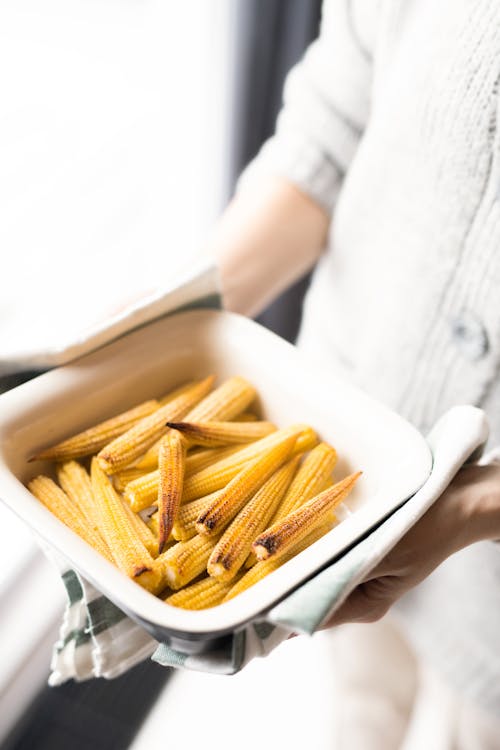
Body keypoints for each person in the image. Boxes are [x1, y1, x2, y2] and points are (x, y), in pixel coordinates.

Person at [205, 1, 500, 747]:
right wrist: (176, 315)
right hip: (336, 464)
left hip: (491, 613)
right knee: (360, 713)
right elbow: (334, 120)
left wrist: (469, 512)